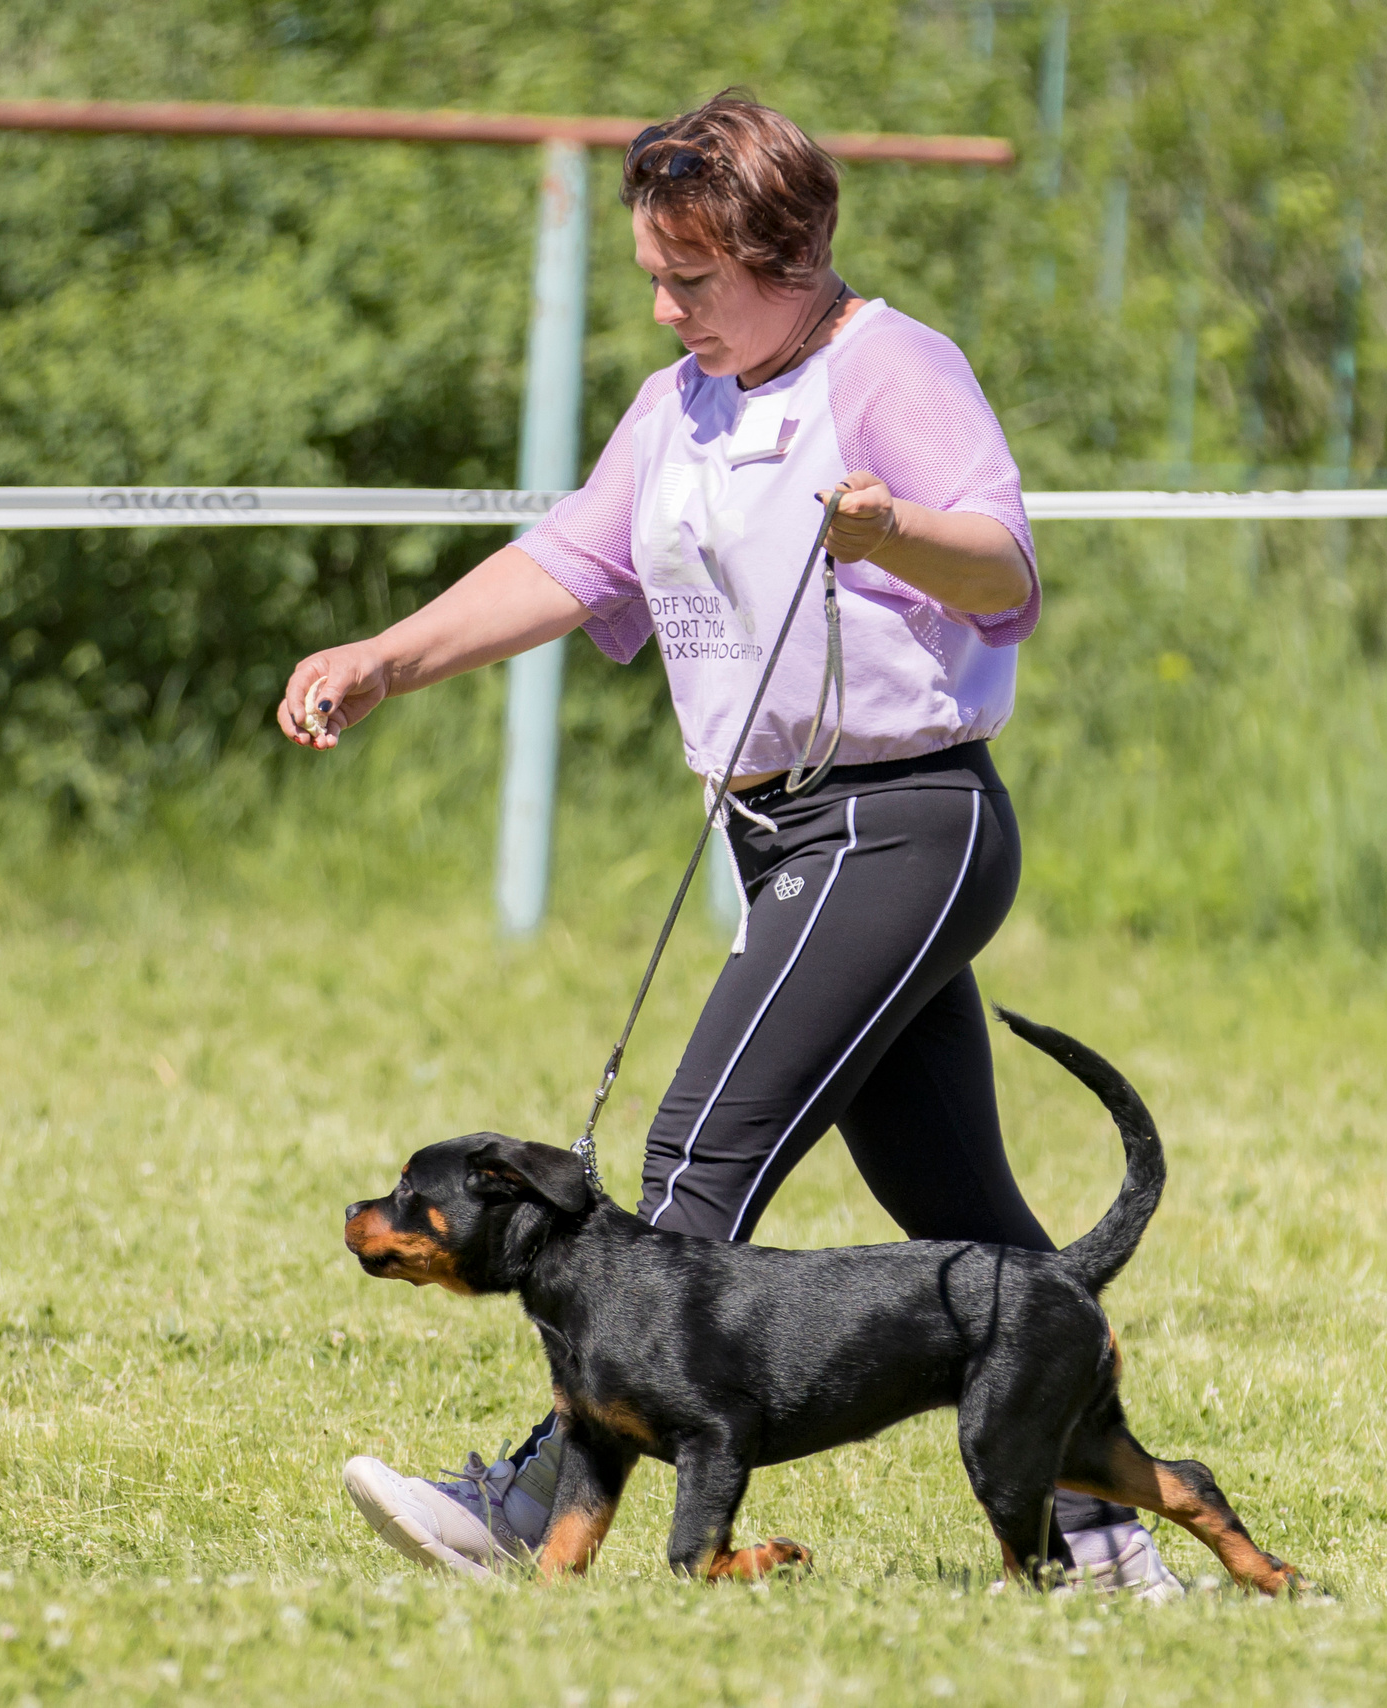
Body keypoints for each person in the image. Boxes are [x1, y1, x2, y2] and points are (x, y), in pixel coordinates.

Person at [279, 91, 1180, 1601]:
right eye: (654, 275)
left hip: (903, 820)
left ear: (791, 255)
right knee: (968, 1230)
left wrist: (893, 531)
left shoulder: (892, 368)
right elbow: (575, 558)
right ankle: (1101, 1540)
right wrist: (388, 657)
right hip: (785, 840)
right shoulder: (680, 402)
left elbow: (1004, 566)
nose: (665, 306)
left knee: (693, 1156)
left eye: (692, 278)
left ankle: (529, 1509)